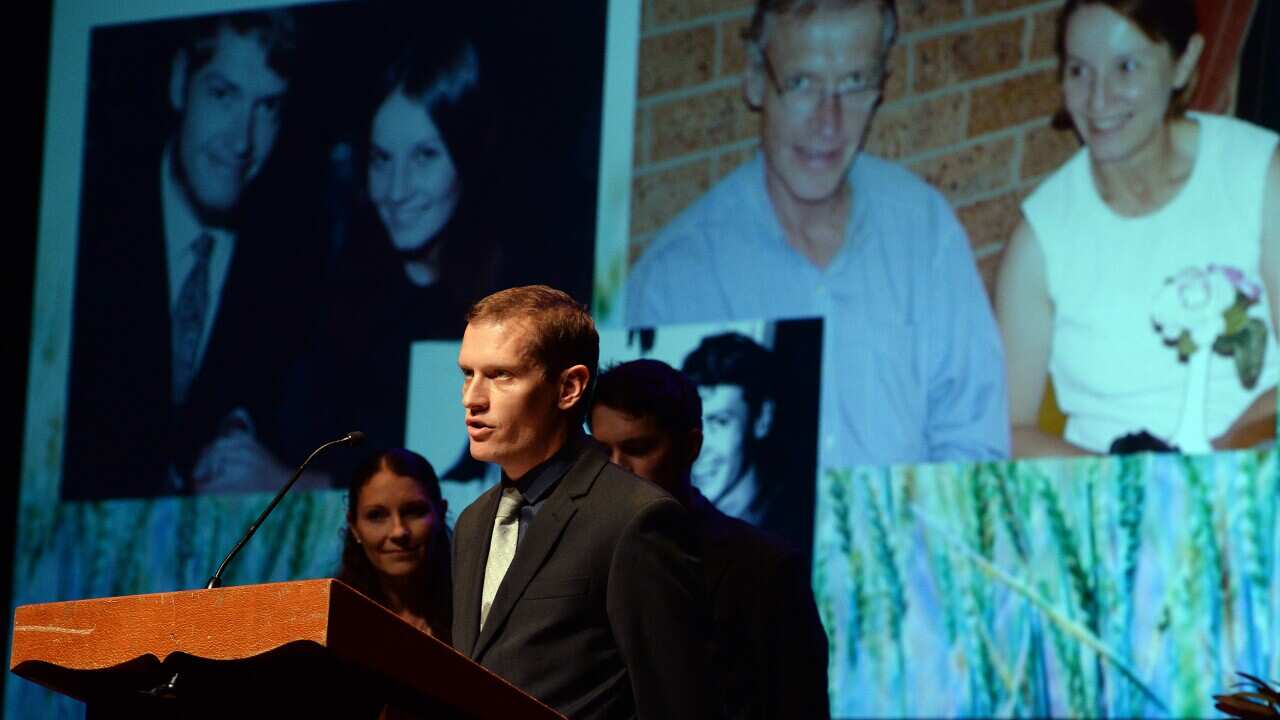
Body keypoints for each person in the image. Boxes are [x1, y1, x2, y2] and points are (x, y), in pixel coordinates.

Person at [625, 0, 1009, 473]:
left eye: (853, 82)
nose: (829, 122)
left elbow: (973, 438)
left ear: (881, 86)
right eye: (802, 83)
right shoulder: (675, 279)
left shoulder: (924, 230)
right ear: (754, 79)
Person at [995, 0, 1280, 457]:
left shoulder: (1258, 174)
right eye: (1079, 72)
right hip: (1115, 496)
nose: (1098, 100)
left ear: (1183, 63)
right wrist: (1131, 490)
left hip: (1256, 470)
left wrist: (1214, 466)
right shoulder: (1040, 241)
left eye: (1126, 67)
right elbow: (1011, 430)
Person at [62, 9, 321, 498]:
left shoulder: (295, 261)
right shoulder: (90, 225)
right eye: (223, 95)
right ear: (181, 82)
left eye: (267, 107)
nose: (242, 141)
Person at [451, 285, 712, 719]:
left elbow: (678, 705)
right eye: (467, 373)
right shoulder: (474, 522)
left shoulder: (635, 519)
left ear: (570, 387)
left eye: (501, 375)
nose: (472, 398)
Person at [589, 359, 831, 720]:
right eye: (601, 453)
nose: (616, 468)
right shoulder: (578, 554)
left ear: (690, 447)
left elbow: (797, 704)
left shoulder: (765, 568)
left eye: (638, 449)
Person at [311, 38, 503, 457]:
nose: (396, 190)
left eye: (424, 156)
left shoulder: (512, 304)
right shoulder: (338, 299)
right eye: (382, 159)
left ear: (466, 158)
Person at [337, 448, 451, 640]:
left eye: (414, 511)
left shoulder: (476, 611)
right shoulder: (334, 618)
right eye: (377, 516)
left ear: (440, 513)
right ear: (354, 526)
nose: (399, 531)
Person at [679, 333, 776, 526]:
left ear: (762, 420)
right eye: (691, 421)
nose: (698, 447)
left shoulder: (788, 534)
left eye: (720, 422)